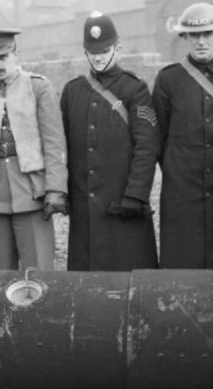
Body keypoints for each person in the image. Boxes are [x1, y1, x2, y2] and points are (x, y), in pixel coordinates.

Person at [152, 2, 213, 269]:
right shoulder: (167, 80)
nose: (201, 41)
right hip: (182, 192)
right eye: (194, 35)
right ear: (184, 37)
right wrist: (177, 171)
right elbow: (158, 137)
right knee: (183, 265)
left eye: (208, 34)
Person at [59, 12, 158, 271]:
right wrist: (64, 192)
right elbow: (62, 148)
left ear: (118, 47)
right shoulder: (72, 91)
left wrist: (136, 195)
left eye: (104, 50)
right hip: (85, 205)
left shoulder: (135, 90)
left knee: (127, 275)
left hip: (123, 203)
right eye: (92, 51)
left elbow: (146, 147)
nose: (98, 57)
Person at [0, 28, 68, 270]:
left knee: (39, 272)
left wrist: (55, 189)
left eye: (3, 57)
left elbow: (54, 143)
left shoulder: (38, 88)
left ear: (15, 53)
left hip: (32, 193)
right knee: (3, 275)